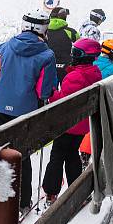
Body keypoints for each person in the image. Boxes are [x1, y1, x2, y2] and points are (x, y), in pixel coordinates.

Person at [0, 9, 58, 214]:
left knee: (0, 150)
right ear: (43, 29)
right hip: (26, 110)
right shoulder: (46, 54)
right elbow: (45, 90)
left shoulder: (5, 46)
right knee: (22, 154)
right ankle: (22, 201)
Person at [42, 39, 103, 207]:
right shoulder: (94, 71)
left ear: (85, 56)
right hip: (82, 124)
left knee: (57, 156)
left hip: (69, 124)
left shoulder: (76, 76)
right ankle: (77, 191)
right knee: (71, 155)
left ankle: (51, 191)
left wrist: (51, 94)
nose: (72, 56)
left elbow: (65, 102)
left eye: (76, 53)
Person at [46, 7, 79, 84]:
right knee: (67, 90)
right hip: (66, 65)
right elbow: (80, 43)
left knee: (50, 91)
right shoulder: (70, 31)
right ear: (64, 17)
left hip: (49, 64)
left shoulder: (44, 30)